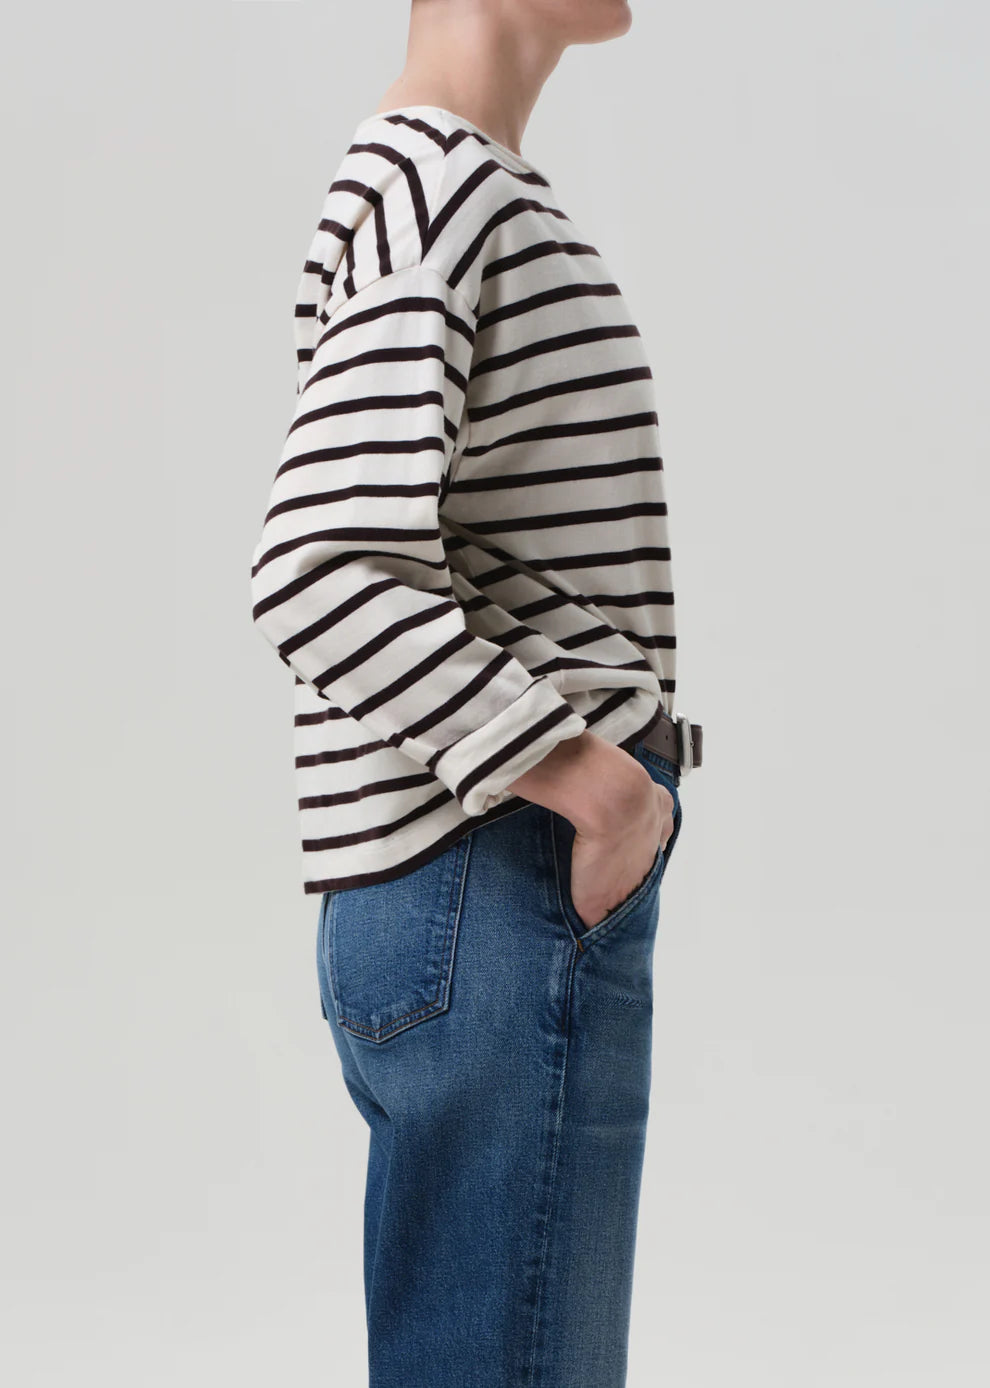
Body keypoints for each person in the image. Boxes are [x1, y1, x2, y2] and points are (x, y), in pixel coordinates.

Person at [250, 2, 703, 1382]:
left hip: (481, 878)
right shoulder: (439, 186)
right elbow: (319, 564)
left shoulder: (453, 186)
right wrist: (599, 790)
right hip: (496, 870)